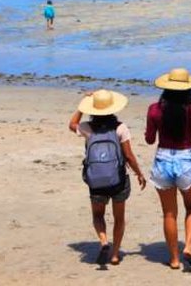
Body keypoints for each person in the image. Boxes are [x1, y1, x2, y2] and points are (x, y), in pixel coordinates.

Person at [68, 90, 147, 266]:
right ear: (112, 108)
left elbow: (72, 124)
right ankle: (115, 254)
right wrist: (139, 173)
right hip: (118, 180)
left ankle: (104, 242)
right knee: (119, 218)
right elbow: (128, 155)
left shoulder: (88, 128)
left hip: (96, 180)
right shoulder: (120, 128)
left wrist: (82, 104)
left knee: (98, 215)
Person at [146, 68, 191, 269]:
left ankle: (173, 259)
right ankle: (188, 246)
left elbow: (149, 139)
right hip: (186, 159)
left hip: (163, 158)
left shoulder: (155, 109)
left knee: (169, 213)